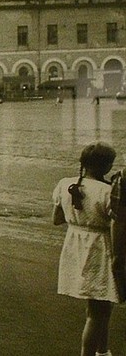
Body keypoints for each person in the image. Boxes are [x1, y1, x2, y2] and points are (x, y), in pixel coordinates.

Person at [52, 142, 118, 356]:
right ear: (107, 166)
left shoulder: (64, 184)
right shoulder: (107, 191)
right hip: (100, 247)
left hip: (75, 244)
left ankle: (103, 351)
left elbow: (57, 219)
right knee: (97, 310)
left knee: (101, 306)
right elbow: (116, 225)